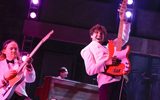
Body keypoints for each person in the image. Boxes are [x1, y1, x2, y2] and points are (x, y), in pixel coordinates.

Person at [80, 3, 131, 100]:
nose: (99, 35)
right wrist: (106, 62)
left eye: (102, 33)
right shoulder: (87, 49)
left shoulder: (110, 45)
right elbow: (90, 70)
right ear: (91, 35)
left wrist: (124, 21)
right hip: (106, 83)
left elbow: (124, 38)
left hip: (120, 81)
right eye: (97, 33)